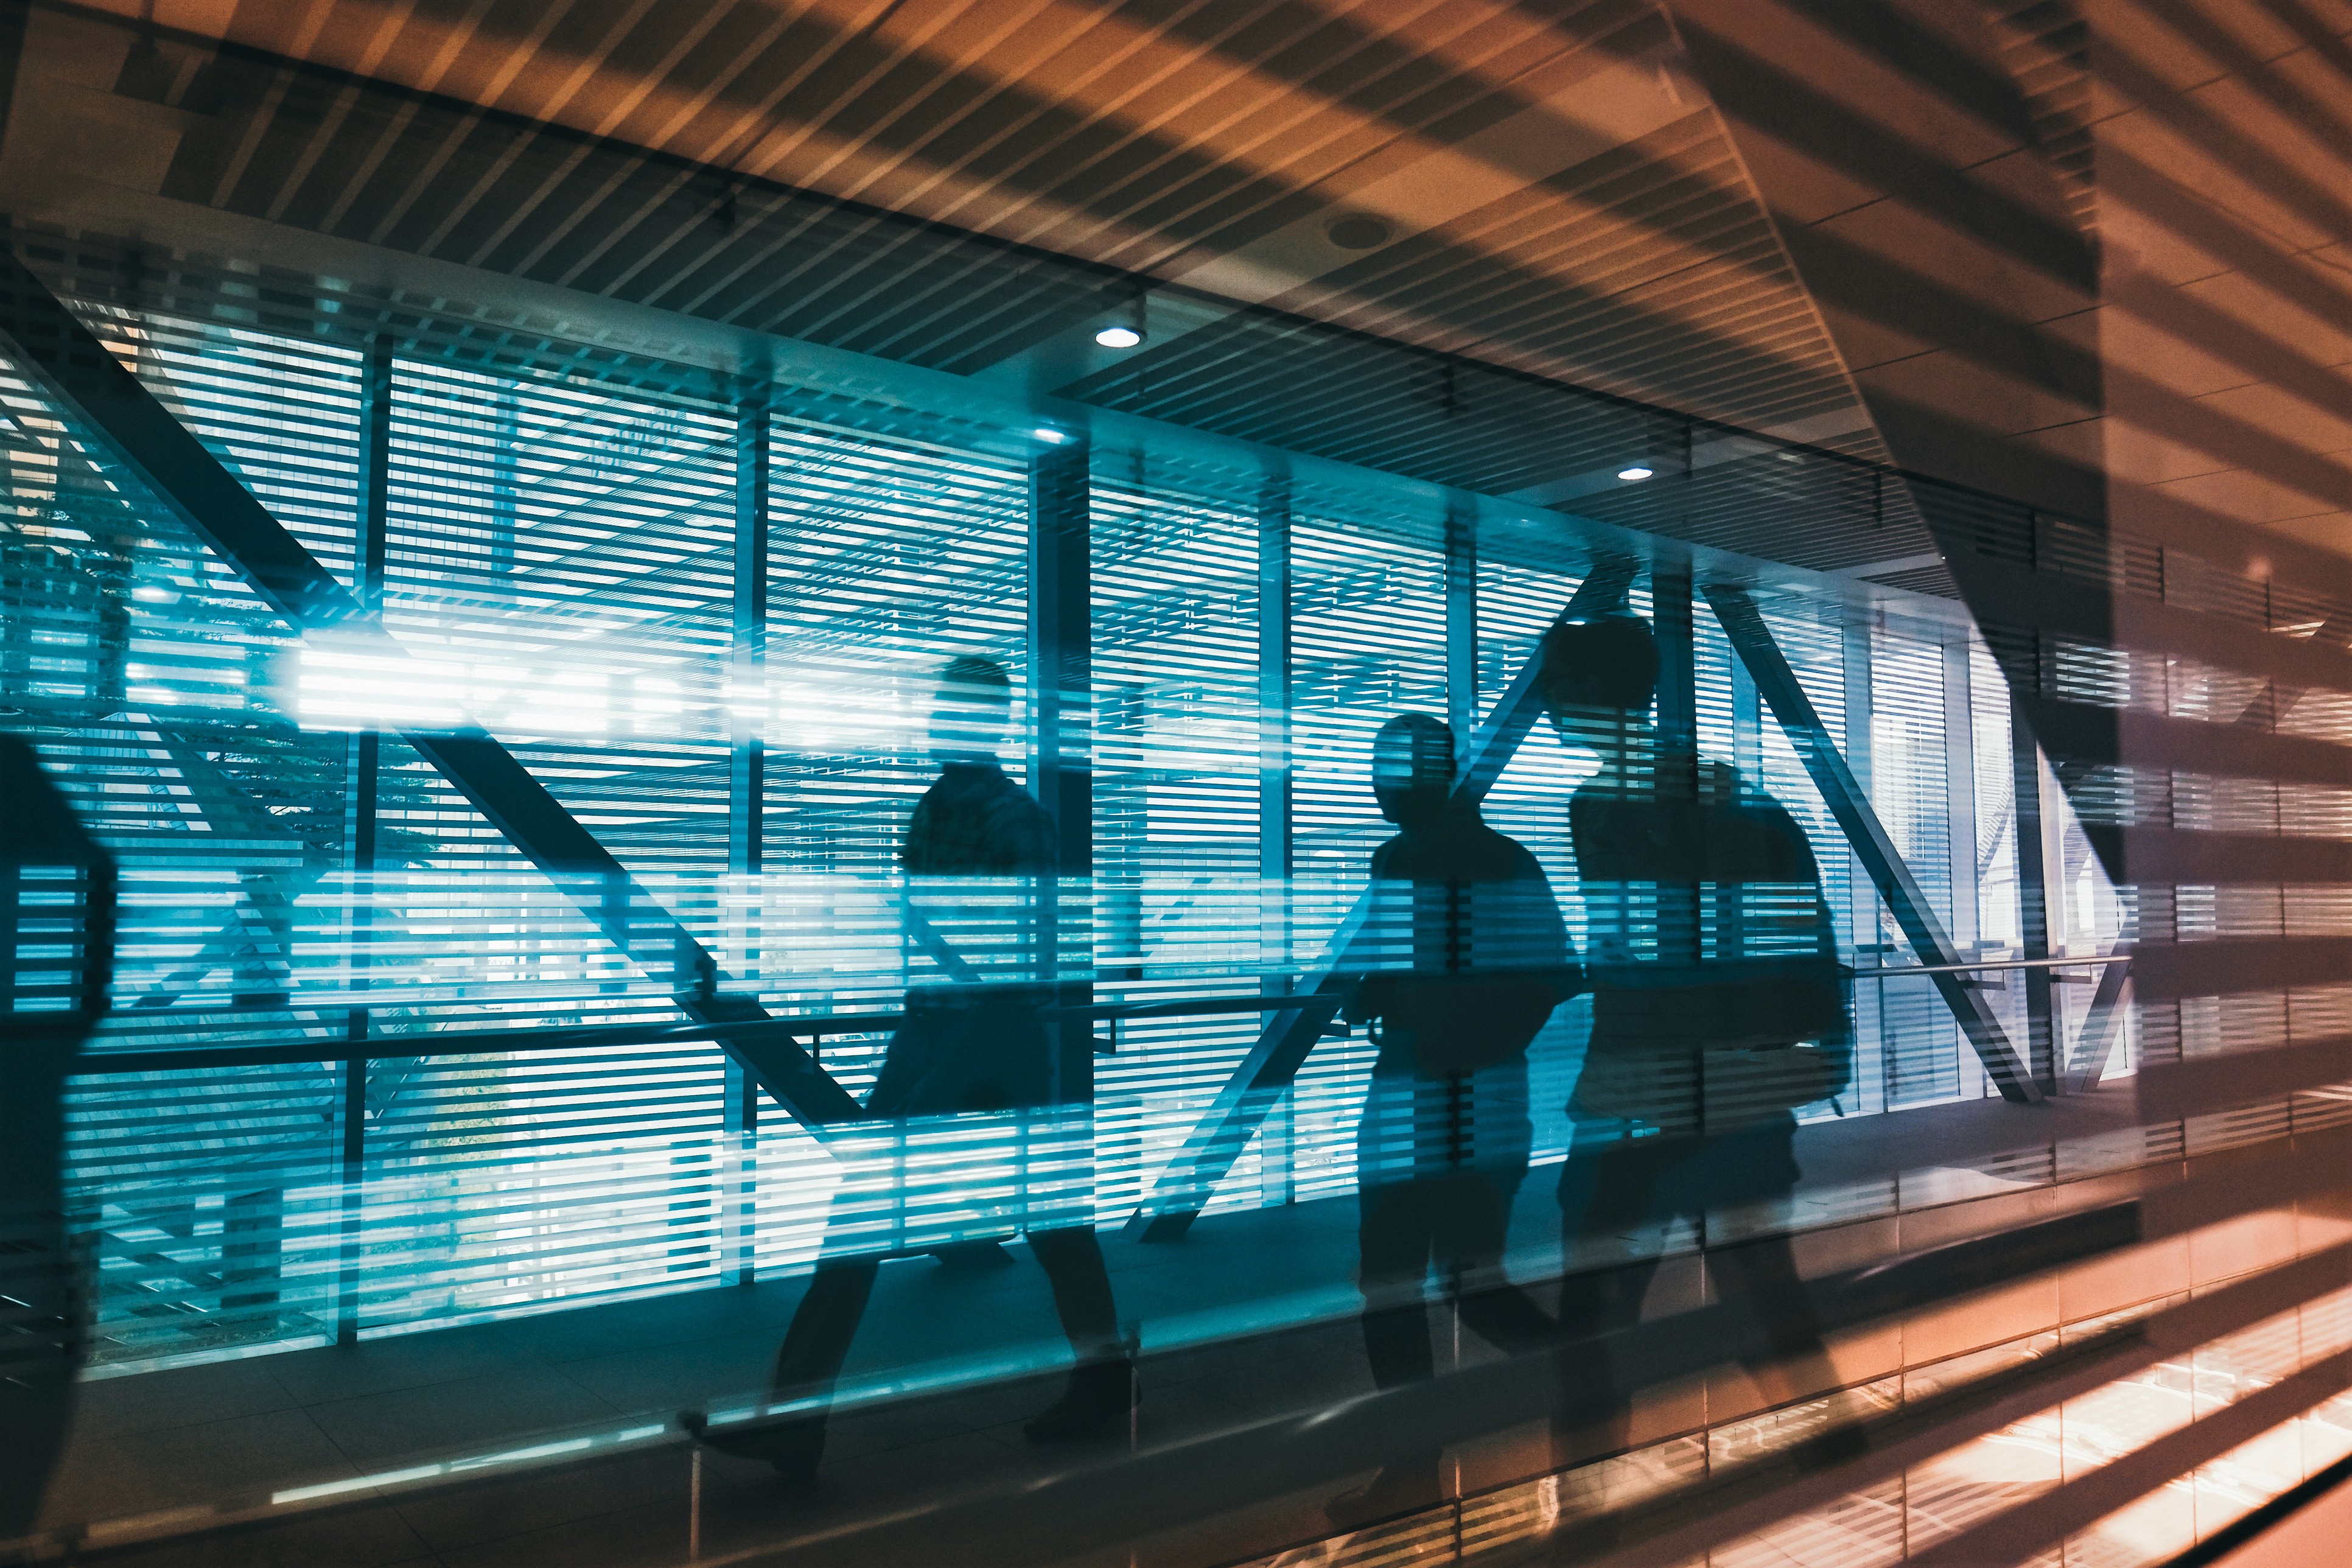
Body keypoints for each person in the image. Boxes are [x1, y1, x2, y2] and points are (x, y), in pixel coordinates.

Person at [684, 657, 1130, 1480]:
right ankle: (1103, 1380)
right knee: (1045, 1223)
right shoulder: (964, 815)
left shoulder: (1004, 823)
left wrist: (935, 1066)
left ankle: (797, 1418)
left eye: (952, 712)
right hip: (952, 1041)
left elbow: (1016, 970)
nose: (936, 725)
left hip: (976, 1044)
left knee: (884, 1224)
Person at [1538, 613, 1853, 1463]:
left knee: (1599, 1321)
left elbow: (1643, 950)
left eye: (1560, 684)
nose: (1549, 703)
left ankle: (1586, 1518)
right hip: (1724, 1092)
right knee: (1757, 1297)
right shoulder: (1729, 801)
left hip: (1649, 1094)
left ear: (1600, 692)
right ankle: (1838, 1456)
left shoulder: (1606, 808)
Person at [1327, 713, 1577, 1527]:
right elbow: (1548, 978)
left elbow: (1368, 971)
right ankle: (1578, 1393)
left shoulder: (1420, 862)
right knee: (1462, 1283)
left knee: (1400, 1284)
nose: (1375, 784)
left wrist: (1424, 1021)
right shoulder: (1493, 860)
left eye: (1385, 768)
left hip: (1427, 1096)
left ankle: (1420, 1463)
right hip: (1468, 1098)